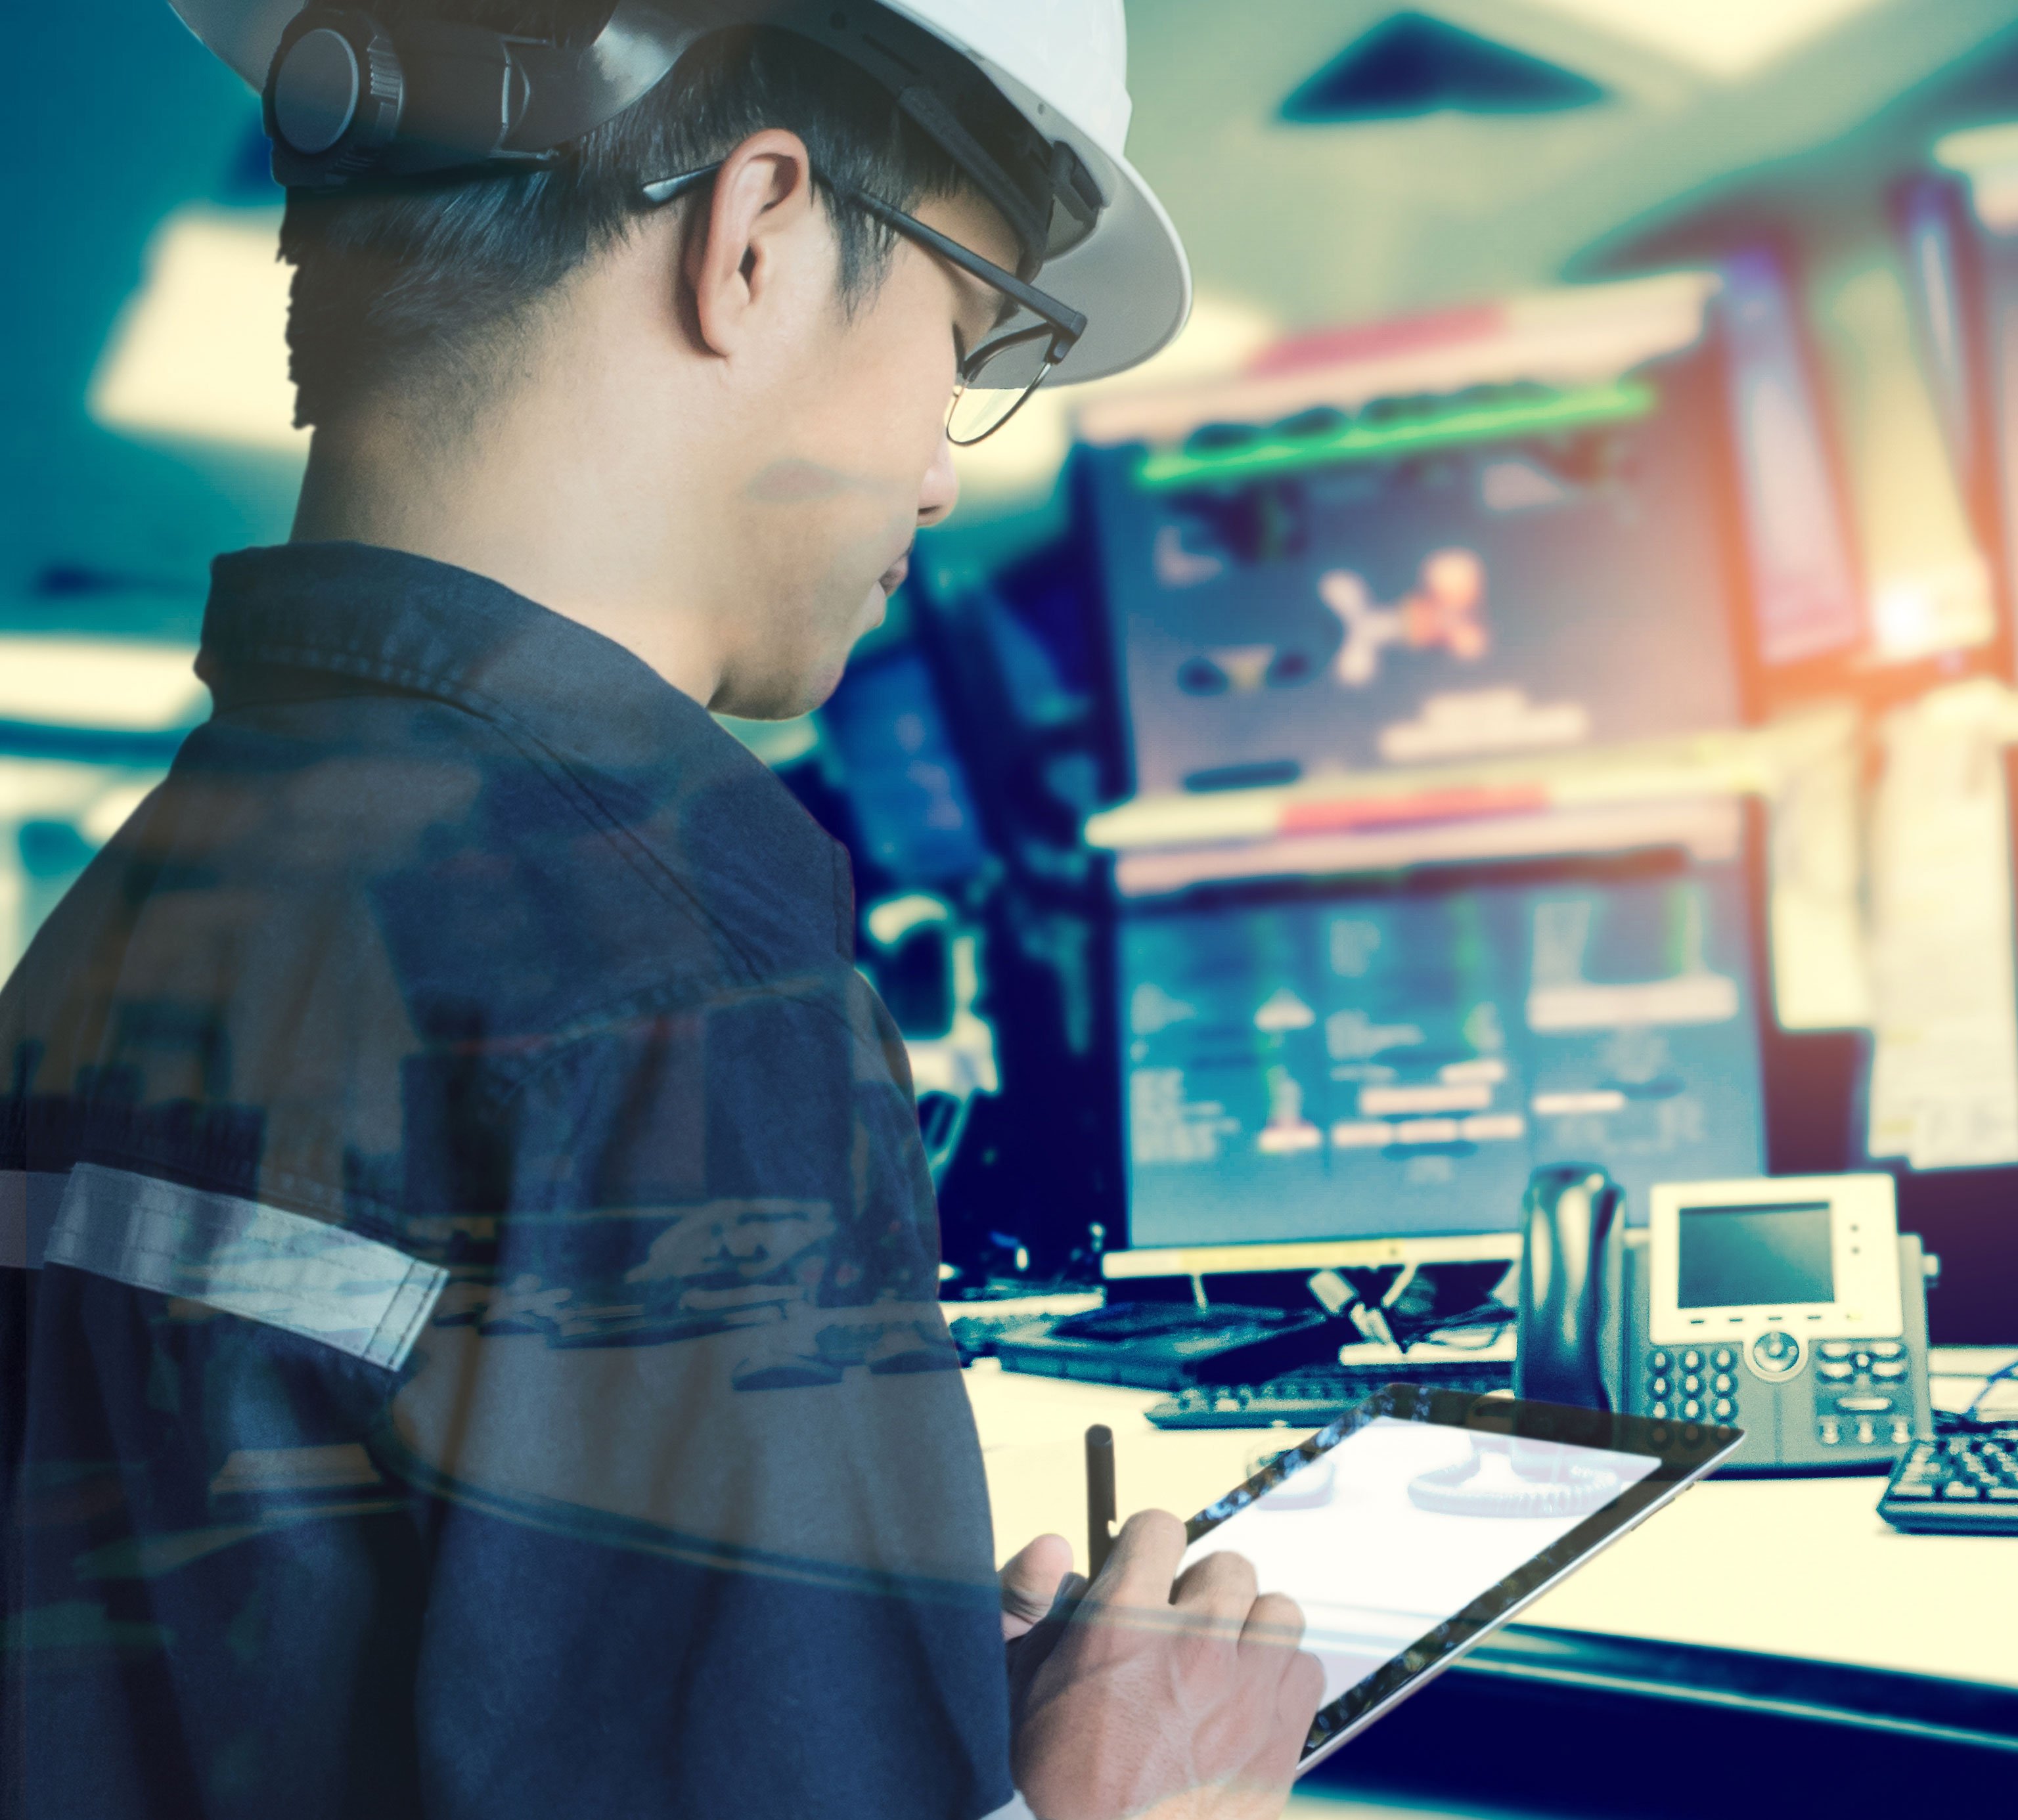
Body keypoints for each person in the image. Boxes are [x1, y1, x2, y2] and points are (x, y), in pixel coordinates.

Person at [0, 1, 1320, 1814]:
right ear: (757, 232)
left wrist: (885, 1705)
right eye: (963, 339)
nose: (947, 466)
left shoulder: (133, 913)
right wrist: (1128, 1799)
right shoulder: (672, 995)